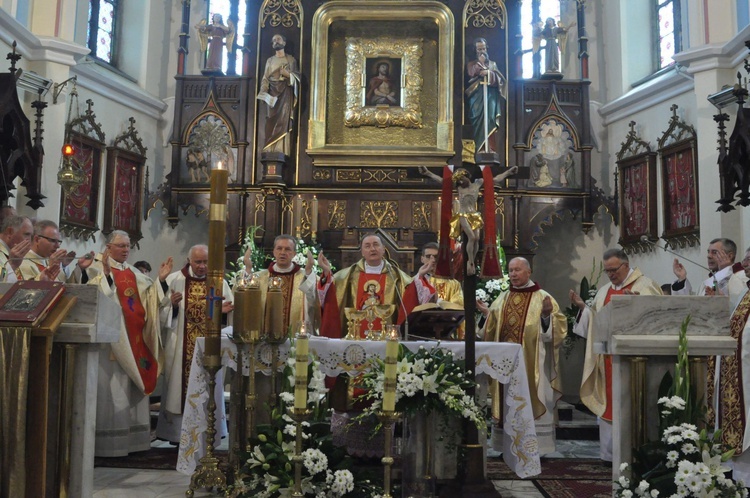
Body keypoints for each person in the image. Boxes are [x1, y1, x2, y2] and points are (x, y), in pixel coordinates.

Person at [570, 248, 662, 461]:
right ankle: (609, 455)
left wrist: (638, 306)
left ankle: (636, 455)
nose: (611, 274)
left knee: (632, 406)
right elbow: (594, 324)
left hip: (636, 362)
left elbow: (658, 320)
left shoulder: (645, 286)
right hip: (608, 360)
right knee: (608, 403)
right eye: (607, 271)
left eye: (613, 270)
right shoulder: (604, 291)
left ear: (626, 265)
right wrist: (583, 308)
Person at [86, 230, 173, 457]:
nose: (125, 250)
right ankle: (108, 447)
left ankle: (133, 442)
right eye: (121, 246)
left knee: (131, 391)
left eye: (127, 246)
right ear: (109, 247)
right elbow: (96, 295)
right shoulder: (94, 268)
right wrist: (105, 274)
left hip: (136, 343)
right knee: (112, 392)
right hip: (112, 345)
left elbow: (152, 298)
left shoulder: (134, 272)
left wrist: (161, 281)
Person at [480, 257, 566, 455]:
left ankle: (537, 449)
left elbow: (558, 332)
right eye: (510, 270)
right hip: (506, 367)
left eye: (517, 270)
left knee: (533, 398)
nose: (513, 274)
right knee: (507, 404)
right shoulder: (502, 298)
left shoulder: (544, 298)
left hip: (533, 364)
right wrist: (486, 315)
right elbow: (488, 331)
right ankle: (507, 447)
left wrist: (546, 317)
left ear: (529, 272)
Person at [155, 244, 234, 443]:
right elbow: (159, 314)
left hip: (209, 348)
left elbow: (230, 314)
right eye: (198, 261)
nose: (202, 266)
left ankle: (208, 434)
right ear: (189, 260)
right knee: (177, 387)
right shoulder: (174, 280)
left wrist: (223, 315)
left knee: (209, 385)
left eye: (206, 262)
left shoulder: (219, 283)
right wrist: (171, 306)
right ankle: (177, 435)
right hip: (181, 346)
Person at [310, 233, 413, 339]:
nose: (372, 249)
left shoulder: (395, 275)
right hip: (355, 336)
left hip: (387, 337)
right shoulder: (349, 275)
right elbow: (330, 294)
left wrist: (422, 275)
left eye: (376, 245)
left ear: (383, 249)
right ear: (362, 252)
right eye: (367, 246)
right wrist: (327, 273)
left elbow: (412, 294)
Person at [419, 165, 518, 276]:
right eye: (459, 181)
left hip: (474, 215)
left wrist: (508, 172)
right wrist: (428, 173)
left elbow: (494, 180)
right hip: (463, 214)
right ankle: (469, 261)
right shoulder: (459, 188)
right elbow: (442, 181)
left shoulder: (478, 183)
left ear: (467, 176)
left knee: (477, 238)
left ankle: (473, 261)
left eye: (462, 178)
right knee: (471, 237)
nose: (461, 182)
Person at [707, 246, 750, 483]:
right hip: (739, 373)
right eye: (745, 258)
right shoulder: (746, 292)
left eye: (749, 259)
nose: (745, 263)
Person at [245, 234, 319, 335]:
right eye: (279, 248)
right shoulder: (259, 278)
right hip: (264, 338)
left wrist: (309, 272)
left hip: (295, 341)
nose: (283, 253)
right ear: (274, 252)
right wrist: (248, 270)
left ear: (294, 253)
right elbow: (246, 301)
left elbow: (313, 302)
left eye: (288, 249)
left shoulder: (304, 277)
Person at [406, 242, 464, 337]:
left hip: (446, 332)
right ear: (422, 259)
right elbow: (408, 307)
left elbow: (458, 307)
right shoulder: (411, 282)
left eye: (436, 257)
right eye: (428, 256)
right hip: (417, 332)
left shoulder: (453, 284)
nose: (432, 260)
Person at [257, 34, 300, 156]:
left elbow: (297, 77)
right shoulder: (270, 60)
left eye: (278, 39)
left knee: (284, 119)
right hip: (272, 96)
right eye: (274, 40)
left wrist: (288, 74)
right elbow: (265, 78)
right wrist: (263, 91)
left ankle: (281, 148)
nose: (276, 41)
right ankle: (270, 148)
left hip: (285, 93)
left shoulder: (291, 60)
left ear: (284, 43)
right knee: (271, 120)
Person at [672, 238, 748, 304]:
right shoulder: (709, 281)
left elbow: (738, 302)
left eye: (714, 252)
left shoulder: (742, 275)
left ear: (730, 256)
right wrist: (682, 279)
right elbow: (692, 303)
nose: (709, 256)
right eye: (708, 252)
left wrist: (723, 270)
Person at [466, 37, 507, 153]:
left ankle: (490, 147)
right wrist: (481, 63)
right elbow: (471, 73)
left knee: (490, 119)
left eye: (483, 48)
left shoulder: (493, 64)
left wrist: (488, 73)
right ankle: (480, 147)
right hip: (476, 97)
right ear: (475, 50)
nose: (482, 51)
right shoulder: (471, 64)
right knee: (478, 119)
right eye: (479, 49)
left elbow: (501, 80)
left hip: (490, 96)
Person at [18, 220, 94, 282]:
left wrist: (79, 268)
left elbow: (67, 289)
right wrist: (50, 267)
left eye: (58, 242)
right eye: (53, 241)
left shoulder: (51, 261)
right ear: (37, 239)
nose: (57, 246)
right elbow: (28, 291)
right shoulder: (22, 263)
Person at [0, 215, 33, 282]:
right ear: (10, 232)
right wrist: (11, 265)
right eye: (26, 234)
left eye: (31, 236)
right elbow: (1, 280)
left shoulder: (18, 256)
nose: (29, 240)